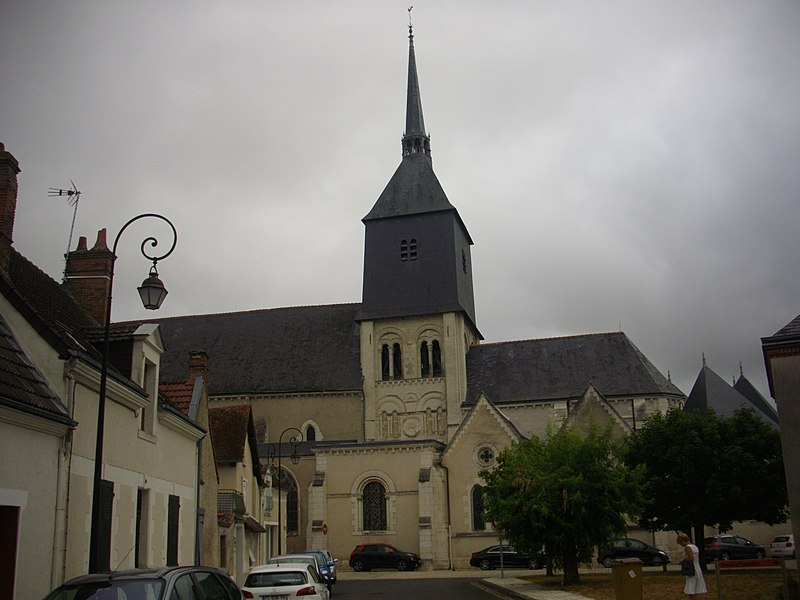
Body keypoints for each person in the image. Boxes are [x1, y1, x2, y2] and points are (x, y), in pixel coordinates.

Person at [677, 532, 707, 597]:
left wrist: (682, 562)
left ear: (682, 541)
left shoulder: (687, 547)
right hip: (697, 567)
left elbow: (691, 558)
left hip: (692, 569)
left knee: (691, 588)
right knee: (695, 588)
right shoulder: (694, 546)